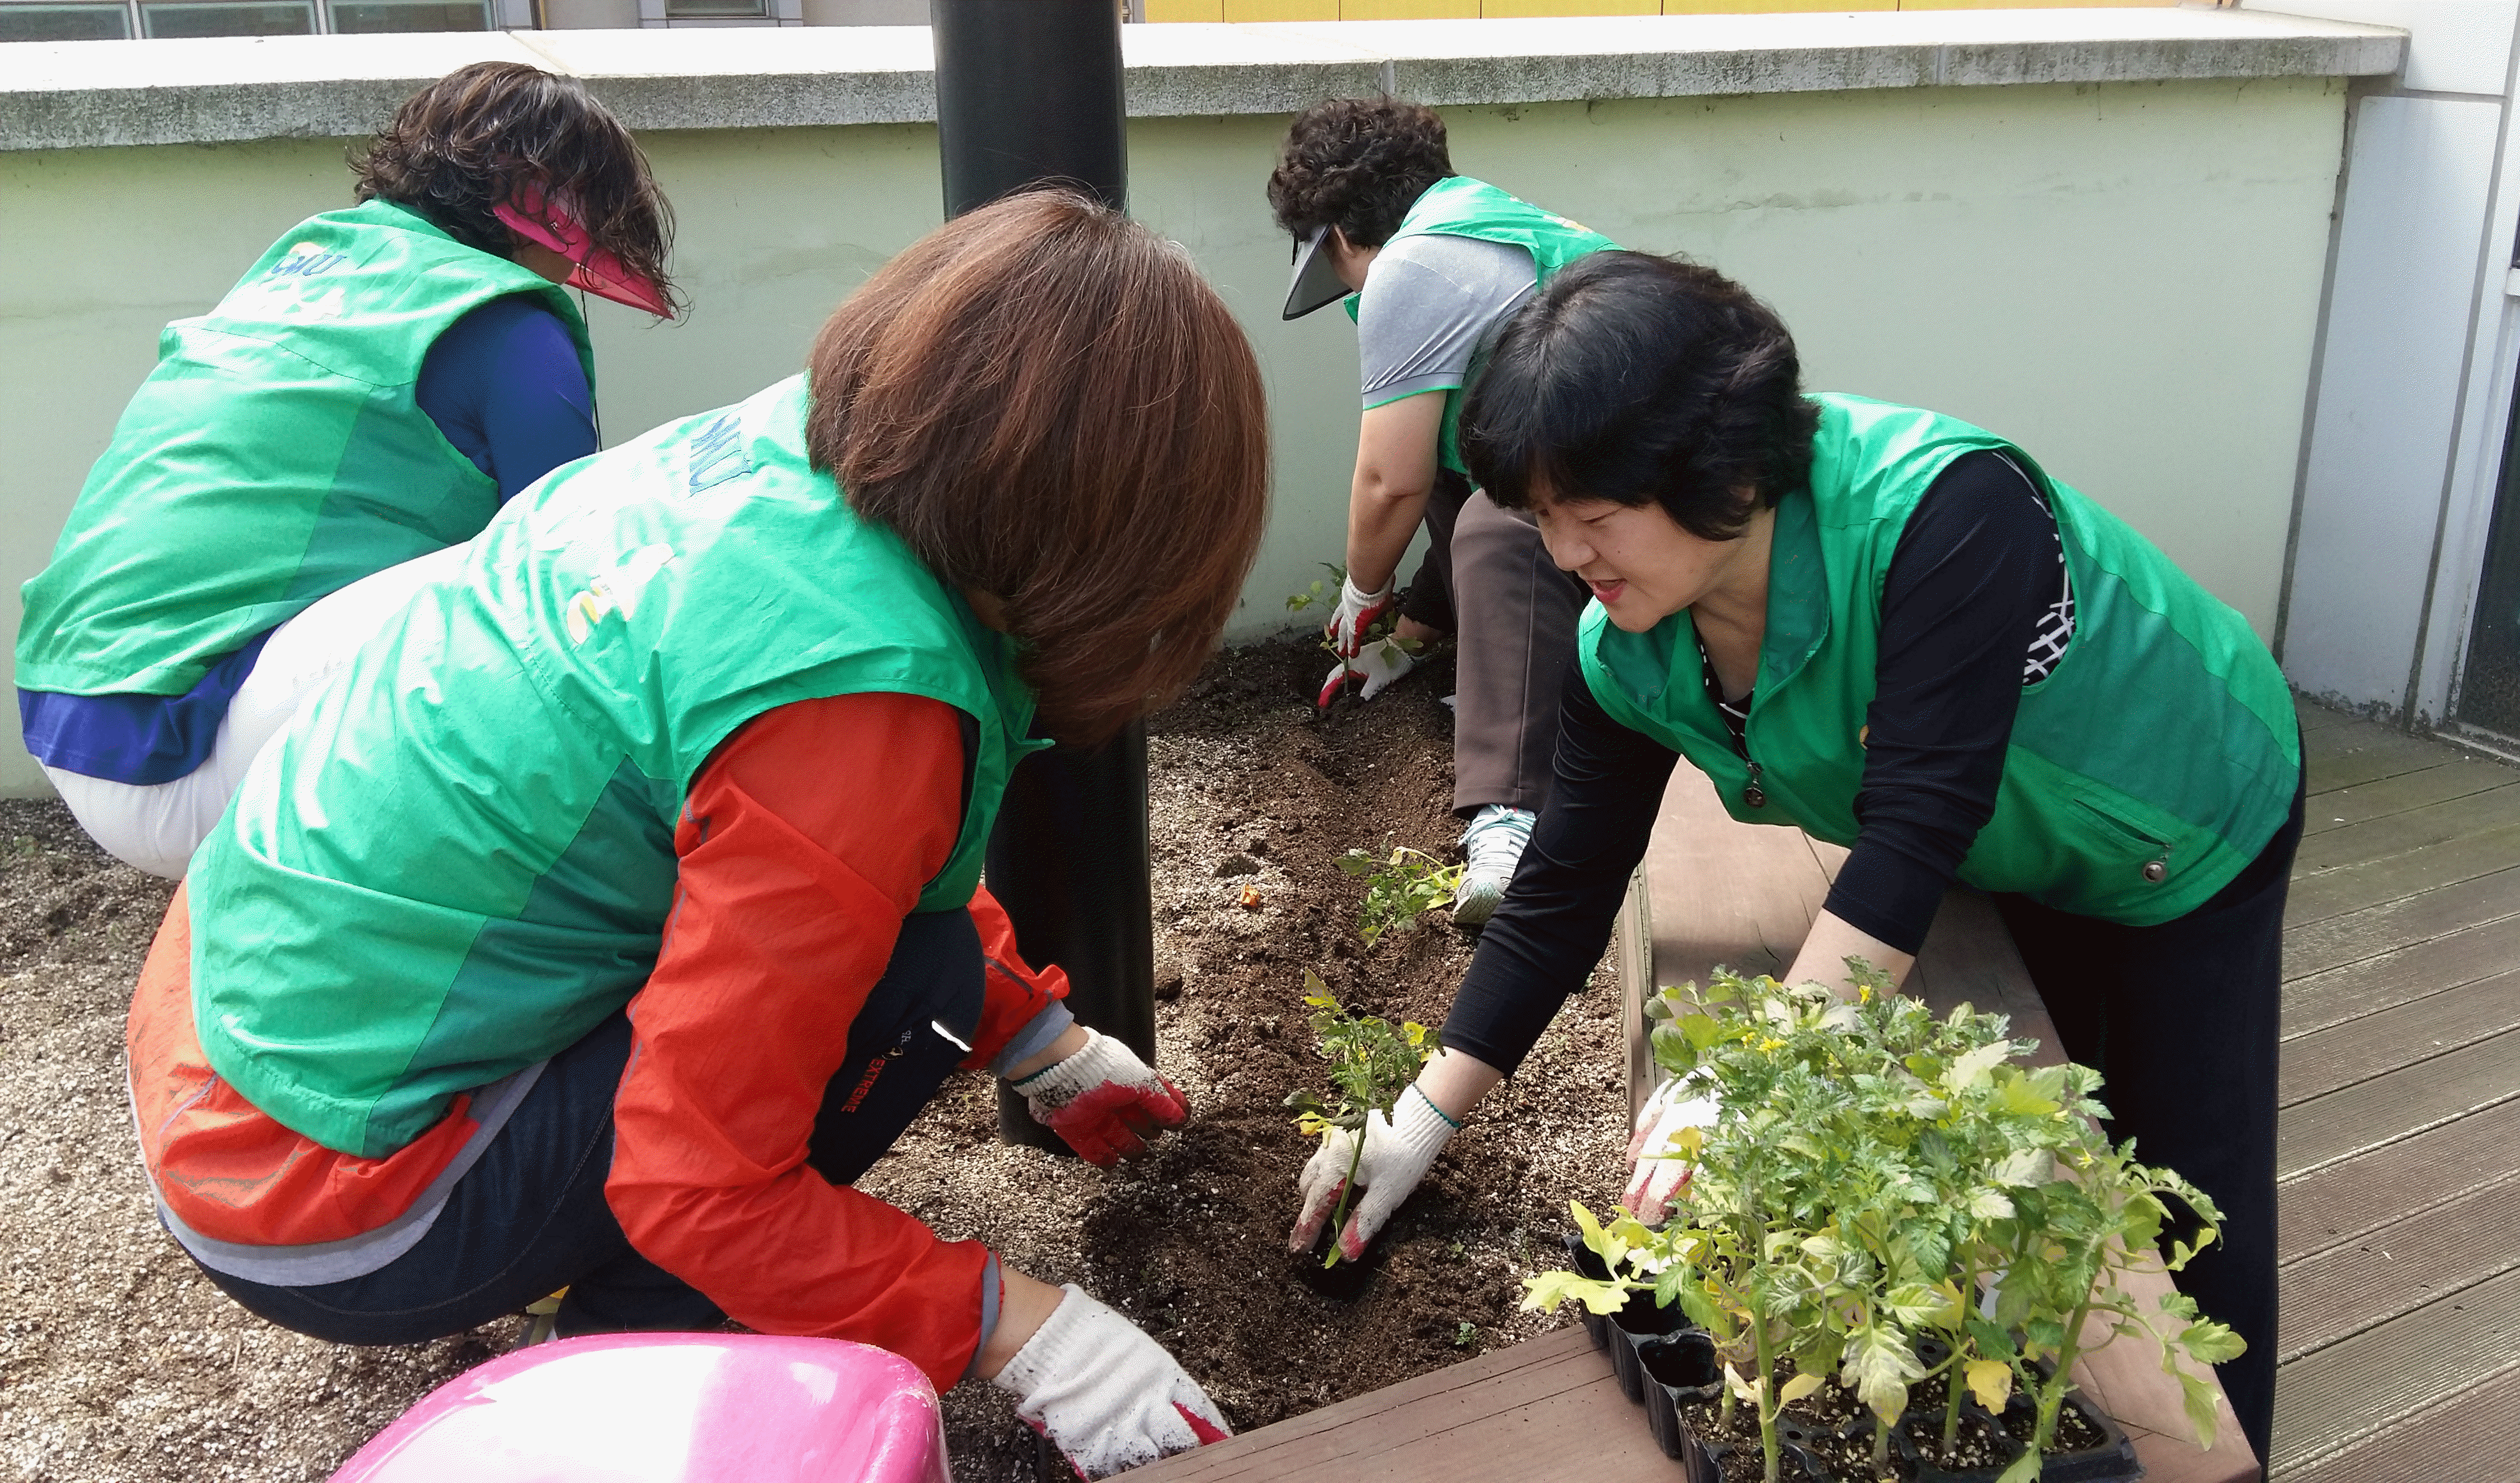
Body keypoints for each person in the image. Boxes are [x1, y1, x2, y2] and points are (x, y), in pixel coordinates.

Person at [121, 192, 1264, 1480]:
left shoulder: (774, 460)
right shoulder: (854, 700)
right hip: (320, 1192)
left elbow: (808, 864)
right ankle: (626, 1348)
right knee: (918, 989)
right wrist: (1025, 1330)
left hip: (228, 1023)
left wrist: (1043, 1043)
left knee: (925, 967)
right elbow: (698, 1184)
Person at [1289, 251, 2298, 1457]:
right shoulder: (1628, 649)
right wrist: (1417, 1120)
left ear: (1723, 469)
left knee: (2183, 1193)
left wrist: (1751, 1073)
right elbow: (1562, 886)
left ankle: (2226, 1451)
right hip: (2002, 838)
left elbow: (1914, 826)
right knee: (2041, 1124)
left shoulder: (1946, 514)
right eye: (1542, 519)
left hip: (2180, 824)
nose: (1565, 556)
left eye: (1593, 517)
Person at [18, 61, 677, 880]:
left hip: (66, 707)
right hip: (184, 754)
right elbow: (568, 575)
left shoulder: (310, 259)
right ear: (548, 201)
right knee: (559, 570)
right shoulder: (506, 322)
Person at [1269, 97, 1616, 925]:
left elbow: (1389, 480)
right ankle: (1468, 675)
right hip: (1617, 465)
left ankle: (1513, 817)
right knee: (1469, 474)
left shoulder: (1414, 264)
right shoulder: (1485, 224)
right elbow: (1440, 482)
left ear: (1339, 236)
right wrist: (1408, 638)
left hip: (1640, 485)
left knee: (1502, 520)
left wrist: (1362, 595)